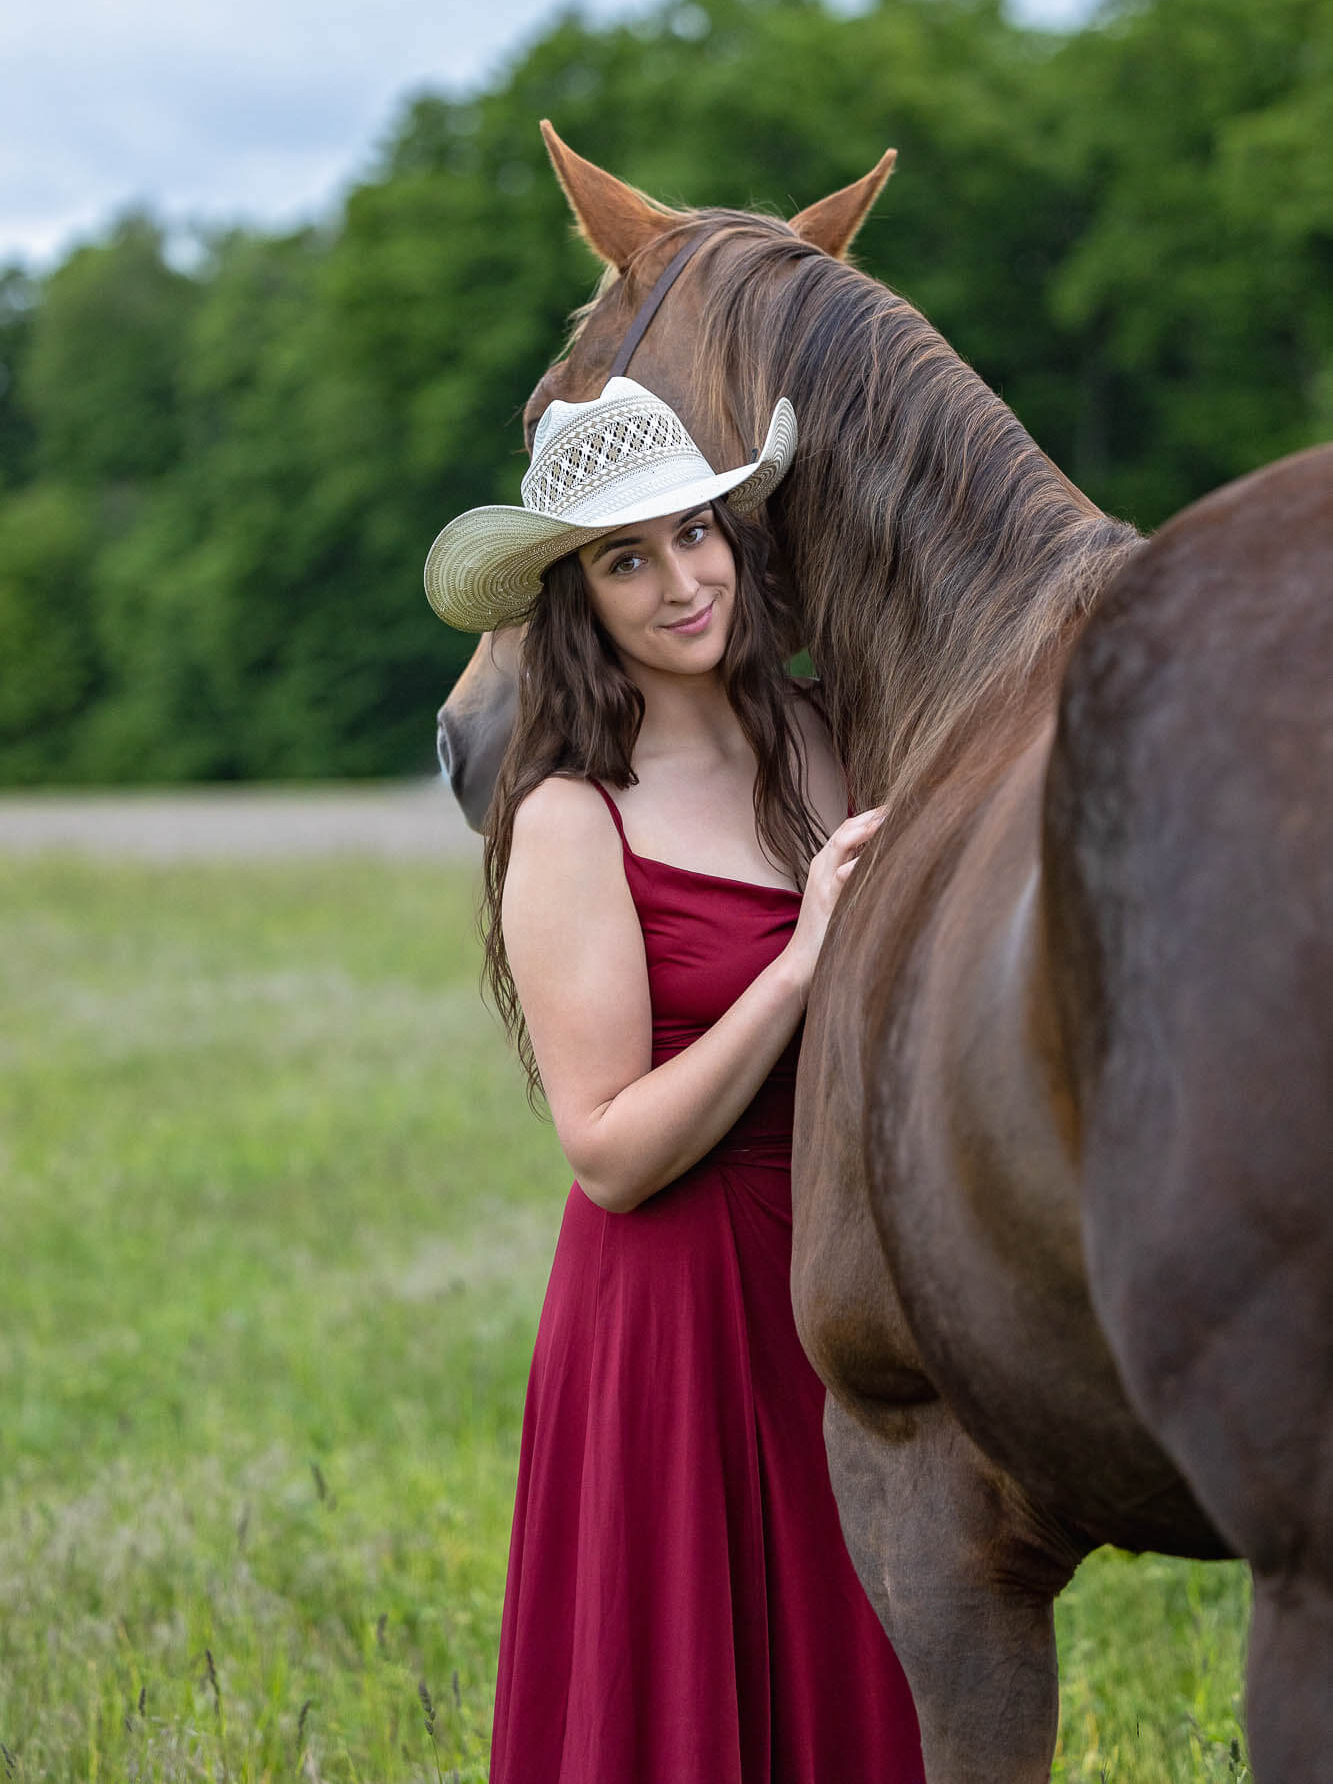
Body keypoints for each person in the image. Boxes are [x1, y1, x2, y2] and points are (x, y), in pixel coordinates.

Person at [424, 377, 924, 1783]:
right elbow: (608, 1150)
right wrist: (794, 964)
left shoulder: (835, 741)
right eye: (624, 557)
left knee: (858, 1685)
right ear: (574, 597)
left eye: (695, 533)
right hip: (675, 1310)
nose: (679, 579)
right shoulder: (570, 814)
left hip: (843, 1301)